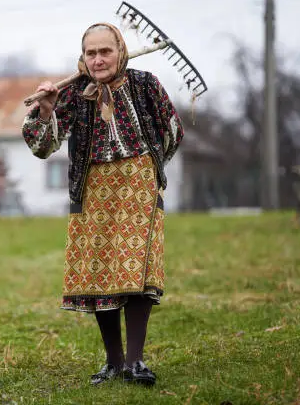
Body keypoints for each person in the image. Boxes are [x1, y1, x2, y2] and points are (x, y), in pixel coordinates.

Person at [21, 22, 184, 386]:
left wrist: (150, 168)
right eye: (91, 53)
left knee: (138, 272)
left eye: (105, 51)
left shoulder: (145, 85)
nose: (98, 59)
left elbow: (173, 131)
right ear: (83, 58)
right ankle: (114, 362)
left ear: (120, 51)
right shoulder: (74, 93)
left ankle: (136, 362)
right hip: (93, 189)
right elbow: (41, 147)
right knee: (99, 273)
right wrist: (46, 110)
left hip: (139, 186)